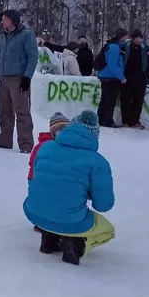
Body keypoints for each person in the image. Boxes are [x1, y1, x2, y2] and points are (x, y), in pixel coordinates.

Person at [24, 110, 115, 266]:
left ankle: (49, 239)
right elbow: (103, 204)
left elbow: (36, 181)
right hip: (69, 219)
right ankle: (76, 243)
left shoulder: (44, 148)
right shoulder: (98, 162)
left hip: (34, 212)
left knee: (53, 200)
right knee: (107, 229)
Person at [0, 10, 39, 153]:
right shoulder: (2, 37)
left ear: (12, 20)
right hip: (3, 79)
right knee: (4, 111)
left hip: (19, 79)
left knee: (22, 112)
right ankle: (4, 140)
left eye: (4, 19)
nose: (2, 22)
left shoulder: (26, 35)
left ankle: (26, 145)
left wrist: (27, 77)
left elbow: (33, 57)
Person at [96, 28, 128, 128]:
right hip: (110, 78)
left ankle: (100, 120)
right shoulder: (115, 47)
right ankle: (108, 121)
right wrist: (121, 77)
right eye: (126, 36)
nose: (127, 38)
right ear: (122, 36)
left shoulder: (110, 45)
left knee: (104, 100)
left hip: (105, 77)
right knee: (110, 101)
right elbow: (112, 64)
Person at [121, 30, 149, 129]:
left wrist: (147, 75)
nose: (138, 40)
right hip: (127, 78)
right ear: (132, 38)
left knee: (138, 101)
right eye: (136, 38)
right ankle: (125, 121)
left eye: (140, 38)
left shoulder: (145, 48)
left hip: (141, 79)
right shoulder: (125, 47)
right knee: (126, 101)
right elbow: (121, 61)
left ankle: (135, 121)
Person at [27, 112, 69, 182]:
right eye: (59, 131)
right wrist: (32, 180)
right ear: (53, 133)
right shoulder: (42, 146)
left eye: (65, 131)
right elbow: (33, 164)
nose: (63, 134)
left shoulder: (70, 145)